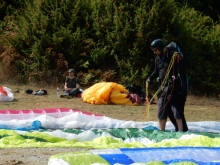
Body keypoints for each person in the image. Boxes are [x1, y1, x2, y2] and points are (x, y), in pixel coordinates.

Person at [146, 39, 188, 132]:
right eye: (153, 50)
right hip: (162, 89)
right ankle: (162, 132)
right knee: (161, 111)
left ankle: (181, 132)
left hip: (174, 88)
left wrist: (181, 56)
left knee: (177, 111)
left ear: (161, 48)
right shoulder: (157, 58)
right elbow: (156, 71)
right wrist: (150, 78)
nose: (154, 52)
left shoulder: (173, 54)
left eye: (155, 50)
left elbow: (182, 59)